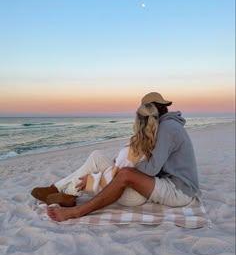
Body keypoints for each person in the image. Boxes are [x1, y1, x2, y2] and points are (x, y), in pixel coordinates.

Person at [41, 91, 200, 222]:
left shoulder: (167, 128)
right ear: (164, 108)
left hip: (178, 190)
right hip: (165, 182)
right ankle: (63, 191)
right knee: (98, 157)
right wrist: (115, 167)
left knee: (125, 174)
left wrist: (104, 176)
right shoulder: (164, 126)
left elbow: (150, 170)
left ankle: (77, 210)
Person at [31, 102, 160, 207]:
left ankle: (68, 193)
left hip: (130, 195)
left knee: (94, 161)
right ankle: (58, 188)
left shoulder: (135, 148)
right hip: (138, 190)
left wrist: (93, 178)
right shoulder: (154, 139)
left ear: (138, 121)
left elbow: (118, 178)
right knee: (96, 156)